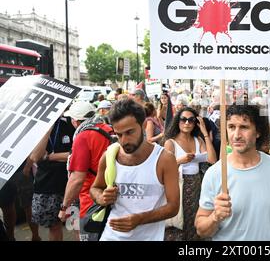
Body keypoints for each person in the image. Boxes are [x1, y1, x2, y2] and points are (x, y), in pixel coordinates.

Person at [195, 104, 270, 241]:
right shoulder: (214, 173)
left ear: (258, 132)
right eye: (231, 127)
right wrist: (215, 217)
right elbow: (201, 230)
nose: (236, 135)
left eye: (244, 127)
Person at [90, 99, 179, 241]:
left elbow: (173, 206)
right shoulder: (110, 156)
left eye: (129, 132)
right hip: (111, 236)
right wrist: (101, 197)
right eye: (118, 134)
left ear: (143, 125)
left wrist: (139, 219)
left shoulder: (164, 159)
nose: (124, 140)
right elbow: (95, 188)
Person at [58, 101, 112, 241]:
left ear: (75, 121)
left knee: (86, 236)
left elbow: (77, 178)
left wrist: (64, 207)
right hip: (111, 197)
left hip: (90, 202)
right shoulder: (108, 129)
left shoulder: (83, 136)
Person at [163, 107, 217, 240]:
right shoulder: (170, 142)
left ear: (195, 123)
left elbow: (212, 159)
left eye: (191, 120)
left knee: (194, 220)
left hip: (197, 185)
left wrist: (204, 132)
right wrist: (179, 161)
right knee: (179, 221)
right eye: (183, 119)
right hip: (179, 186)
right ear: (178, 121)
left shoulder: (198, 140)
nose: (187, 123)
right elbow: (164, 169)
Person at [29, 116, 75, 241]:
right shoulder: (36, 126)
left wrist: (50, 157)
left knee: (75, 225)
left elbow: (76, 154)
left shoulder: (69, 123)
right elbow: (35, 156)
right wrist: (47, 129)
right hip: (47, 186)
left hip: (70, 184)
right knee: (54, 227)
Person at [0, 159, 40, 241]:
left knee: (29, 206)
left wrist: (27, 167)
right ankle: (10, 237)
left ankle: (36, 237)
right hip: (3, 171)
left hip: (21, 169)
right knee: (7, 207)